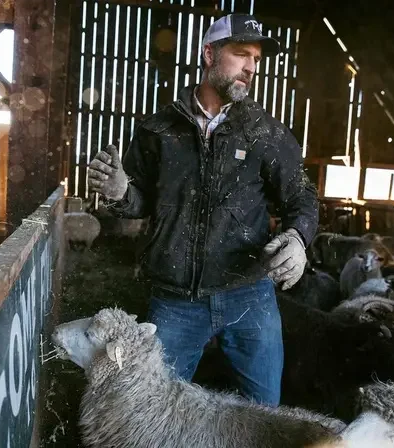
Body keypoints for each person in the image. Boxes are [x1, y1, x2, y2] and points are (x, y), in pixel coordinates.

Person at [87, 13, 319, 406]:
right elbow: (141, 201)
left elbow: (302, 198)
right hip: (175, 299)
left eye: (257, 60)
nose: (250, 67)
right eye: (241, 54)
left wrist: (298, 238)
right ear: (209, 54)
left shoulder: (267, 133)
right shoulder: (158, 129)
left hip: (248, 295)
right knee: (152, 411)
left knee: (263, 412)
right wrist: (121, 191)